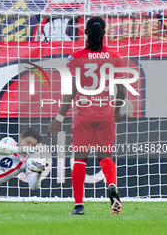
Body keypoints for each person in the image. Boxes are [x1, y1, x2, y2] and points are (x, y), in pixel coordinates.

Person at [47, 16, 126, 215]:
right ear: (105, 32)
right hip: (106, 114)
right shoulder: (114, 56)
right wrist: (116, 110)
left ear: (85, 33)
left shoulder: (76, 57)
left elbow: (71, 91)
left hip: (83, 115)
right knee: (105, 156)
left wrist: (59, 118)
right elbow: (121, 90)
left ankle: (79, 205)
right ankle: (112, 185)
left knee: (80, 160)